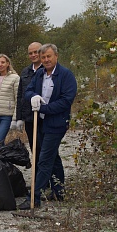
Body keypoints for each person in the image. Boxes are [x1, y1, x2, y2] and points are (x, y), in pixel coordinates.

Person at [19, 44, 77, 209]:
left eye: (49, 56)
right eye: (43, 57)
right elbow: (28, 91)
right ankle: (59, 192)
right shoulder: (39, 74)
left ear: (56, 56)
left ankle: (34, 198)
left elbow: (66, 101)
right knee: (53, 156)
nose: (46, 60)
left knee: (44, 159)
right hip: (42, 121)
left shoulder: (65, 75)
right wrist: (34, 97)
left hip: (57, 123)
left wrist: (43, 108)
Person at [0, 54, 20, 147]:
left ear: (8, 64)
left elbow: (18, 98)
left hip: (6, 116)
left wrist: (15, 118)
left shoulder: (15, 78)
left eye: (3, 62)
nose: (0, 65)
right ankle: (0, 161)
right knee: (0, 144)